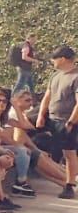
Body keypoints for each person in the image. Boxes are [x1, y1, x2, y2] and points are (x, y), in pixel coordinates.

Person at [36, 45, 78, 199]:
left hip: (67, 120)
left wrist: (72, 122)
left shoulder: (76, 76)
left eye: (54, 58)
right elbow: (47, 96)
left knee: (69, 152)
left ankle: (69, 184)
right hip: (52, 118)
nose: (53, 61)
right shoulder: (55, 76)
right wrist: (41, 114)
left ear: (63, 59)